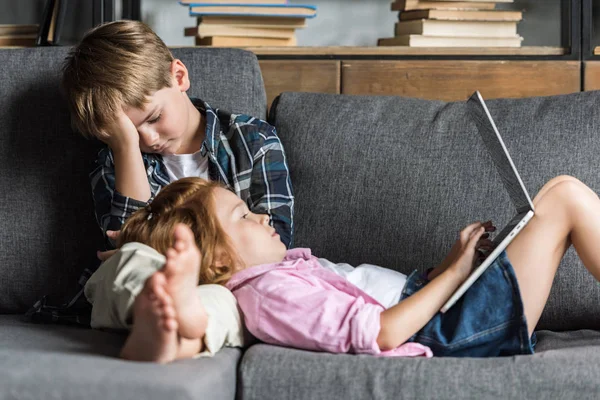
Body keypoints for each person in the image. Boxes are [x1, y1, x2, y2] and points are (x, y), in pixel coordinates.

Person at [117, 174, 600, 362]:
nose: (262, 214)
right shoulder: (268, 293)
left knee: (558, 194)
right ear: (220, 260)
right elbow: (384, 334)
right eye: (242, 216)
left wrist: (448, 269)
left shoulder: (282, 268)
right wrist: (453, 279)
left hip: (439, 308)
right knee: (565, 198)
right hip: (449, 334)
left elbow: (385, 299)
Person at [28, 20, 293, 357]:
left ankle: (173, 325)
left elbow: (277, 242)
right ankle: (155, 323)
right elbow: (126, 241)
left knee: (226, 301)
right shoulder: (115, 161)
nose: (148, 140)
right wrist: (125, 149)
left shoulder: (252, 140)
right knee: (127, 264)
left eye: (152, 118)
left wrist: (185, 266)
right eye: (129, 133)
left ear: (178, 77)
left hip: (234, 284)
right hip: (145, 285)